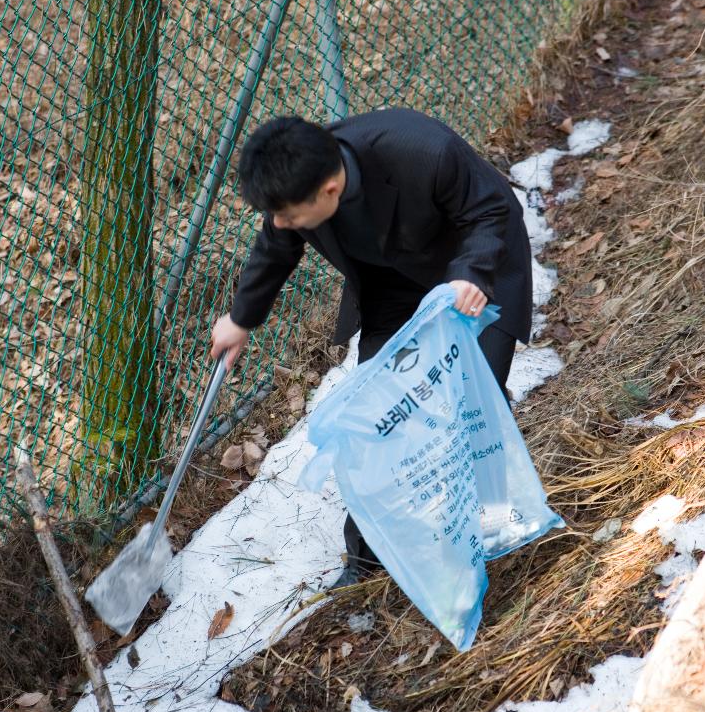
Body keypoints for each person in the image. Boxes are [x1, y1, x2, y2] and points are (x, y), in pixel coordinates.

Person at [210, 108, 532, 586]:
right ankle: (367, 561)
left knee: (469, 402)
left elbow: (491, 210)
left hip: (473, 272)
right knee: (378, 419)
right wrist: (240, 319)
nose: (280, 222)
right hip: (390, 287)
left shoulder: (423, 150)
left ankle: (488, 528)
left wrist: (470, 272)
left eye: (288, 215)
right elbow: (276, 248)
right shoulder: (298, 192)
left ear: (330, 191)